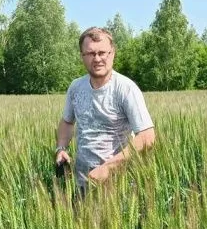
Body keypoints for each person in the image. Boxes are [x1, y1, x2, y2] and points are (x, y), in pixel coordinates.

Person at [55, 27, 155, 192]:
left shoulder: (126, 88)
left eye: (103, 52)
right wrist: (61, 148)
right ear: (82, 56)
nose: (97, 59)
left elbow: (147, 136)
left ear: (112, 53)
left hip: (118, 186)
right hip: (83, 183)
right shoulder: (75, 87)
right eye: (91, 53)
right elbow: (67, 122)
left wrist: (108, 168)